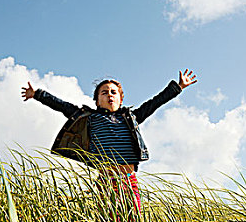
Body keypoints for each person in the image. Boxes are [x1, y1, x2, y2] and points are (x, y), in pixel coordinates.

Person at [21, 69, 197, 210]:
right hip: (105, 182)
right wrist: (37, 94)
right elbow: (61, 105)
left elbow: (154, 103)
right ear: (97, 101)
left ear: (120, 100)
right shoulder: (89, 117)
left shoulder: (130, 118)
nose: (109, 95)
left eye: (114, 92)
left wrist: (177, 87)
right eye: (104, 93)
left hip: (129, 180)